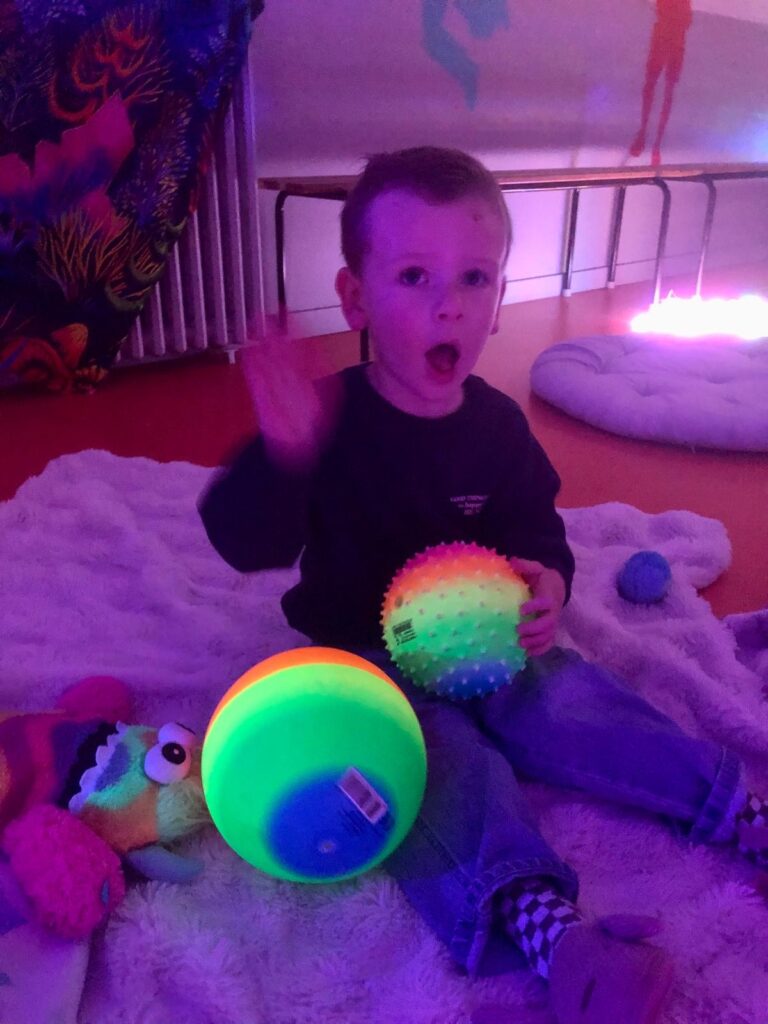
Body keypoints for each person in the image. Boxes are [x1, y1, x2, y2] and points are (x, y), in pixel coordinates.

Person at [199, 146, 767, 1024]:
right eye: (414, 276)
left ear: (500, 299)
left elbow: (534, 529)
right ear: (355, 298)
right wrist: (282, 455)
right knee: (438, 770)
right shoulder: (324, 418)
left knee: (574, 699)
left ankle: (736, 808)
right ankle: (550, 934)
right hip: (365, 659)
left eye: (474, 277)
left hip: (489, 644)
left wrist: (548, 582)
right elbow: (243, 542)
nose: (449, 304)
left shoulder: (499, 429)